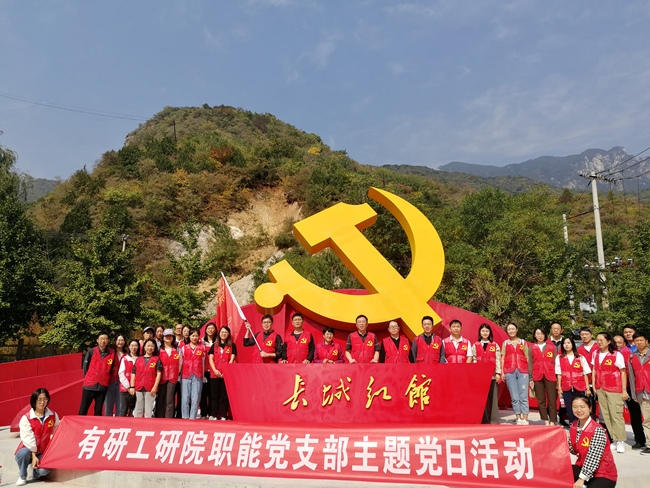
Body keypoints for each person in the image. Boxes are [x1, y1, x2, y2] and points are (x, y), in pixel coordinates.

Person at [568, 394, 618, 488]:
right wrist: (562, 437)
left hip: (603, 474)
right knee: (560, 472)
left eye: (582, 407)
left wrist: (581, 479)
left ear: (590, 408)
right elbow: (574, 450)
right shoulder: (573, 426)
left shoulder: (597, 430)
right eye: (575, 407)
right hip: (582, 467)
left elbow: (593, 458)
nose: (579, 410)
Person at [14, 388, 60, 486]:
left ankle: (35, 473)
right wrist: (33, 455)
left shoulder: (53, 415)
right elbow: (28, 438)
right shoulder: (26, 418)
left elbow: (56, 432)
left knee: (44, 471)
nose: (42, 402)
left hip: (43, 451)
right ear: (34, 401)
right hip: (28, 449)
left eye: (45, 399)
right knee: (22, 454)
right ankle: (22, 475)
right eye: (39, 399)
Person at [593, 332, 628, 453]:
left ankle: (621, 440)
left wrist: (624, 390)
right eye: (597, 340)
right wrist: (594, 386)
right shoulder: (596, 353)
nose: (599, 342)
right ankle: (614, 439)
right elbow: (594, 369)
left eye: (602, 340)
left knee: (616, 414)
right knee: (606, 415)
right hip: (600, 388)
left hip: (614, 388)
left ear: (608, 341)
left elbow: (623, 372)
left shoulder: (616, 354)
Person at [616, 330, 646, 450]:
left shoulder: (641, 350)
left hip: (645, 386)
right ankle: (640, 439)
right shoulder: (622, 351)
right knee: (635, 414)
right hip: (631, 387)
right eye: (625, 332)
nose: (628, 334)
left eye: (630, 332)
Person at [556, 337, 592, 424]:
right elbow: (559, 373)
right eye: (564, 343)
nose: (566, 345)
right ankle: (573, 424)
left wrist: (587, 388)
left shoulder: (580, 357)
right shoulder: (559, 357)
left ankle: (582, 424)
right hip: (566, 385)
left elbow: (585, 373)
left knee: (581, 405)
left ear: (572, 344)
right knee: (570, 406)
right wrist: (559, 387)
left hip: (579, 385)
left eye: (568, 343)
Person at [501, 322, 532, 425]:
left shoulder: (523, 342)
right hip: (509, 371)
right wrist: (502, 372)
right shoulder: (505, 343)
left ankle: (525, 418)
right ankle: (518, 417)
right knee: (514, 396)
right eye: (509, 329)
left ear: (517, 330)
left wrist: (530, 372)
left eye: (513, 329)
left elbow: (527, 357)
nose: (511, 331)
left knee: (523, 396)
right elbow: (502, 358)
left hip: (523, 370)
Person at [79, 330, 116, 416]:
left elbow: (112, 368)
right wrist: (89, 377)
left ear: (108, 341)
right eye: (101, 338)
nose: (103, 341)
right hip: (89, 385)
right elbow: (85, 366)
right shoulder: (91, 351)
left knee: (98, 410)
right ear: (97, 340)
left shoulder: (111, 353)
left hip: (102, 386)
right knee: (83, 408)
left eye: (105, 339)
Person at [472, 323, 501, 424]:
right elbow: (474, 359)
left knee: (493, 399)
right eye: (483, 331)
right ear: (480, 332)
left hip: (492, 375)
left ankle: (494, 420)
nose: (485, 333)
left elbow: (498, 359)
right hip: (480, 376)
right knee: (481, 399)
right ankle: (483, 420)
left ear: (490, 333)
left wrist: (498, 373)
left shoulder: (495, 345)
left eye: (487, 331)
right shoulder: (475, 345)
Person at [208, 326, 237, 420]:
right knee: (214, 396)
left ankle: (224, 415)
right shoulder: (214, 345)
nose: (224, 334)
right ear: (219, 334)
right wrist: (215, 370)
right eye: (222, 332)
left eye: (226, 332)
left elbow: (232, 360)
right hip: (214, 374)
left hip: (226, 375)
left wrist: (226, 371)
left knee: (224, 396)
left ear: (228, 334)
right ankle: (214, 415)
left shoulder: (232, 345)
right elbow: (210, 359)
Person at [628, 331, 650, 454]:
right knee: (647, 420)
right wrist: (634, 394)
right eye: (636, 341)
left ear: (646, 341)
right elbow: (632, 378)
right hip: (641, 392)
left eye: (641, 340)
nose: (639, 342)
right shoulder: (632, 357)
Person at [530, 327, 558, 425]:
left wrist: (557, 377)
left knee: (552, 399)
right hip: (537, 375)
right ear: (534, 335)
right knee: (541, 400)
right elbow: (530, 363)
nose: (540, 336)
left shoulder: (552, 347)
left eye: (542, 334)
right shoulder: (532, 347)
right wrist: (530, 378)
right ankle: (545, 419)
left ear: (545, 335)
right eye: (537, 334)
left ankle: (553, 420)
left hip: (550, 375)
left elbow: (556, 362)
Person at [130, 338, 162, 418]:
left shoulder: (156, 359)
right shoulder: (139, 359)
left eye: (152, 346)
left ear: (154, 347)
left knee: (148, 410)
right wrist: (132, 386)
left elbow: (159, 374)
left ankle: (148, 425)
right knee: (138, 410)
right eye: (148, 346)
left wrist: (155, 387)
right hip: (139, 387)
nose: (150, 348)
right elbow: (133, 373)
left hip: (150, 387)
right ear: (144, 347)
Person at [180, 328, 206, 419]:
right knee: (185, 397)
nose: (195, 338)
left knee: (196, 397)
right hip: (186, 374)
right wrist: (179, 374)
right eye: (193, 336)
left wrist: (203, 376)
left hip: (198, 374)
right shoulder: (184, 348)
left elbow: (203, 362)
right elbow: (180, 362)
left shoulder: (202, 348)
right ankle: (185, 416)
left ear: (199, 337)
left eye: (196, 336)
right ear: (189, 336)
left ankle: (193, 417)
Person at [156, 329, 181, 418]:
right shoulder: (159, 350)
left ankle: (168, 418)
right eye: (166, 336)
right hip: (161, 377)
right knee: (160, 398)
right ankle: (160, 417)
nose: (168, 338)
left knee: (169, 399)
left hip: (172, 377)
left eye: (170, 336)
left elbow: (180, 362)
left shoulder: (177, 349)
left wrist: (178, 372)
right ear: (163, 338)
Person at [104, 334, 125, 416]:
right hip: (110, 381)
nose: (120, 342)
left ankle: (118, 422)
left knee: (120, 405)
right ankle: (107, 422)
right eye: (118, 340)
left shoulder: (127, 354)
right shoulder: (110, 352)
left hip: (122, 382)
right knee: (108, 404)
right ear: (115, 341)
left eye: (122, 340)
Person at [200, 322, 217, 418]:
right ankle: (203, 413)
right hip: (204, 371)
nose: (210, 330)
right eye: (208, 328)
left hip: (214, 371)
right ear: (205, 330)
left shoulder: (217, 342)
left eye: (212, 328)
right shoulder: (201, 342)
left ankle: (211, 413)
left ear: (215, 330)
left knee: (212, 393)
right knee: (203, 393)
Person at [118, 339, 139, 416]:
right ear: (129, 347)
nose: (134, 347)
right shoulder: (125, 358)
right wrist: (128, 387)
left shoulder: (140, 359)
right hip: (125, 389)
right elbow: (121, 373)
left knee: (134, 412)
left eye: (136, 345)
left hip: (137, 389)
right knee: (123, 410)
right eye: (132, 345)